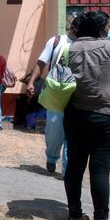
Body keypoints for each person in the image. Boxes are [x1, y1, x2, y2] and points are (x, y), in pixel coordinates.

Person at [63, 11, 110, 220]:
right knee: (100, 170)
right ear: (100, 28)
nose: (109, 28)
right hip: (105, 117)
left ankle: (75, 215)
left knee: (74, 166)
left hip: (74, 116)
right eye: (107, 25)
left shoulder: (68, 49)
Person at [26, 17, 79, 176]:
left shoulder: (86, 45)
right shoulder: (56, 41)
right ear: (72, 27)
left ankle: (67, 170)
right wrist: (31, 82)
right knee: (54, 132)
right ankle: (51, 157)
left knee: (72, 134)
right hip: (56, 93)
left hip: (77, 95)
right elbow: (41, 63)